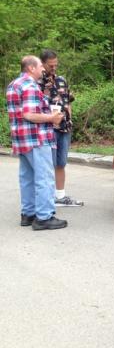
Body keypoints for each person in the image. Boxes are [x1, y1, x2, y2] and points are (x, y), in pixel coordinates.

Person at [6, 56, 67, 230]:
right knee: (45, 178)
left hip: (22, 139)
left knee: (27, 178)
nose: (43, 69)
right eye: (40, 66)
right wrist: (52, 117)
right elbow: (29, 114)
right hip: (37, 139)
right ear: (31, 68)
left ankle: (28, 214)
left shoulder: (14, 84)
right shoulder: (30, 86)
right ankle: (44, 217)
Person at [39, 49, 83, 207]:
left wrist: (70, 119)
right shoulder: (37, 83)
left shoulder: (61, 80)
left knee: (61, 163)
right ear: (42, 64)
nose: (53, 68)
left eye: (55, 65)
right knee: (47, 164)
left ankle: (60, 196)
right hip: (48, 129)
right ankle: (47, 197)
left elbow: (68, 101)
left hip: (64, 127)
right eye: (50, 65)